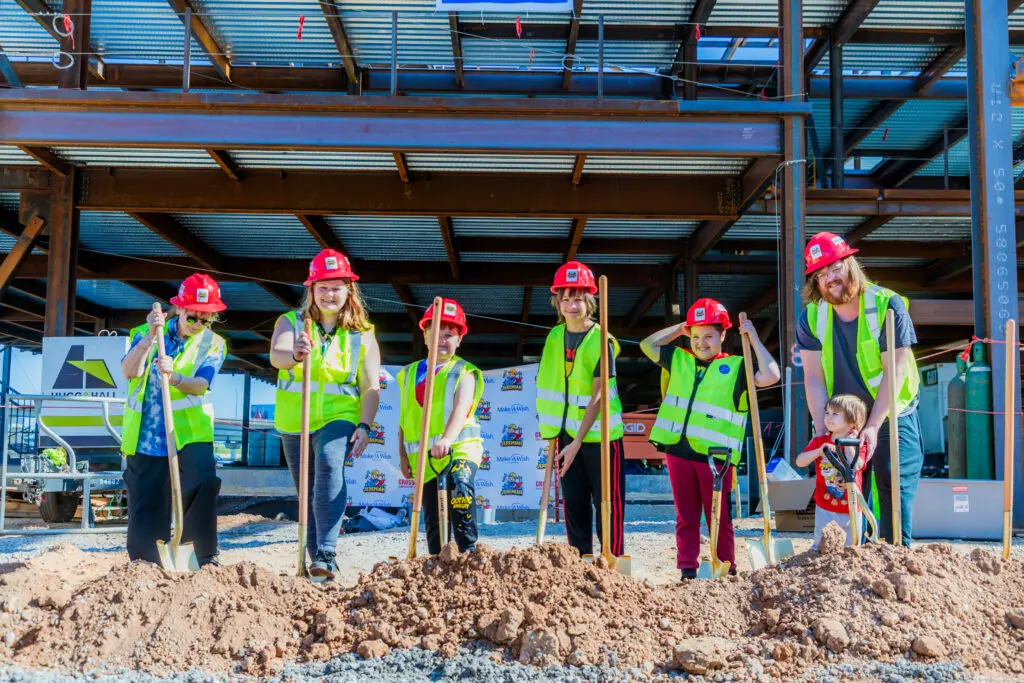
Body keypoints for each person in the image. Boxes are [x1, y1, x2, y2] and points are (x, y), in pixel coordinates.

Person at [797, 232, 922, 547]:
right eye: (821, 273)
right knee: (849, 486)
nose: (829, 278)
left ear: (850, 264)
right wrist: (821, 424)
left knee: (892, 482)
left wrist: (875, 425)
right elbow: (813, 377)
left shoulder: (887, 305)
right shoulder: (811, 317)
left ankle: (896, 556)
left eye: (835, 267)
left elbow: (895, 371)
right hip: (846, 417)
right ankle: (857, 561)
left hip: (891, 408)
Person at [641, 298, 780, 580]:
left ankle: (725, 568)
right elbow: (647, 345)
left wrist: (752, 337)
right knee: (686, 517)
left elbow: (771, 375)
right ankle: (687, 570)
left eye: (708, 336)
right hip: (678, 451)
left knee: (720, 518)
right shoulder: (679, 358)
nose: (700, 343)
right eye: (695, 336)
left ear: (722, 335)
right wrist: (680, 328)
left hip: (717, 458)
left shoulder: (737, 367)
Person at [270, 248, 381, 580]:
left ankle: (327, 553)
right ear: (311, 290)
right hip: (295, 421)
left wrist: (364, 424)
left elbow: (370, 384)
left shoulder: (363, 333)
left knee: (331, 466)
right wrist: (295, 353)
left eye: (337, 287)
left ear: (349, 290)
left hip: (340, 416)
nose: (330, 294)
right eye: (323, 287)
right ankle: (315, 560)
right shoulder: (291, 322)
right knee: (306, 488)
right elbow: (277, 356)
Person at [120, 273, 227, 567]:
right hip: (145, 434)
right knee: (147, 500)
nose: (199, 325)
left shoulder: (214, 343)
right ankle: (146, 563)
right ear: (179, 309)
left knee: (202, 483)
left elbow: (201, 384)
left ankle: (202, 557)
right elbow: (129, 371)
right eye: (194, 317)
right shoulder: (142, 331)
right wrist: (150, 339)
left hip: (190, 432)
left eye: (207, 320)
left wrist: (176, 377)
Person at [536, 261, 625, 559]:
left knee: (607, 507)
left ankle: (611, 567)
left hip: (600, 439)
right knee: (574, 505)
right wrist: (557, 435)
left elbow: (598, 397)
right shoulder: (553, 337)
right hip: (565, 436)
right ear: (557, 302)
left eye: (578, 298)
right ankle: (580, 567)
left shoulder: (603, 341)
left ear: (589, 301)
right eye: (565, 298)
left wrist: (576, 444)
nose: (571, 305)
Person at [397, 298, 483, 554]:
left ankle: (469, 551)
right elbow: (404, 418)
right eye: (435, 334)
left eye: (449, 335)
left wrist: (446, 439)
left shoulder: (463, 372)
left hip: (459, 448)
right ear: (424, 336)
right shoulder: (408, 374)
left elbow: (461, 408)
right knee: (434, 517)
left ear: (459, 340)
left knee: (459, 486)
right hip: (425, 458)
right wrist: (402, 455)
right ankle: (437, 561)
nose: (442, 341)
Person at [795, 394, 870, 549]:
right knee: (822, 545)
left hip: (851, 505)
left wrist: (849, 445)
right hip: (825, 504)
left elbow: (855, 465)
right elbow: (800, 461)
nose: (828, 417)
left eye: (835, 414)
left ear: (852, 421)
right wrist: (818, 452)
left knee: (851, 547)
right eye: (827, 413)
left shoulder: (857, 444)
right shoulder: (820, 441)